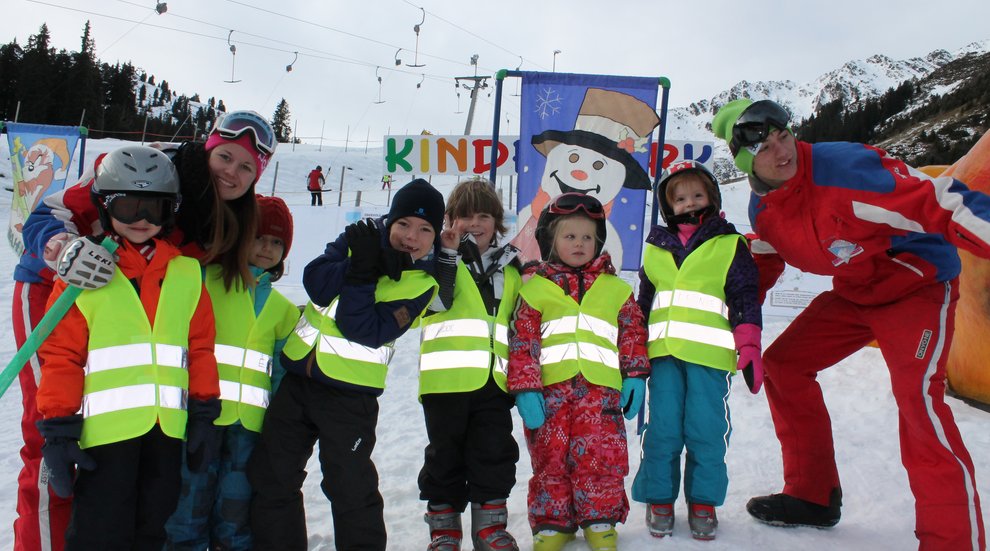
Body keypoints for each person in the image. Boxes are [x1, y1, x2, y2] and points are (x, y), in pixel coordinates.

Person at [710, 98, 990, 550]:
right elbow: (768, 252)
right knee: (785, 366)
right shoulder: (765, 210)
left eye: (784, 135)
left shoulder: (846, 172)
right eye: (765, 148)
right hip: (857, 293)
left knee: (918, 402)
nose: (782, 151)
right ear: (745, 160)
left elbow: (945, 203)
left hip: (917, 286)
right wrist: (740, 320)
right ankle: (813, 495)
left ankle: (953, 541)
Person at [13, 110, 274, 551]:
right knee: (50, 437)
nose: (232, 172)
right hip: (56, 291)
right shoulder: (141, 164)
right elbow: (41, 217)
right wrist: (63, 249)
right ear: (208, 148)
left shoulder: (226, 218)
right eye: (226, 157)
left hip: (122, 318)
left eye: (246, 167)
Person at [34, 145, 222, 549]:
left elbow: (201, 348)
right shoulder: (81, 273)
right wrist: (59, 430)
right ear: (104, 207)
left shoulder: (187, 273)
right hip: (107, 438)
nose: (141, 220)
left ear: (171, 211)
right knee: (100, 529)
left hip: (166, 433)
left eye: (153, 209)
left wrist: (204, 412)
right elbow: (61, 356)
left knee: (154, 523)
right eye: (128, 207)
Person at [247, 178, 445, 550]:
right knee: (273, 477)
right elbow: (316, 283)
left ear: (434, 238)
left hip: (349, 399)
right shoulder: (359, 239)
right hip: (298, 382)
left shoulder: (422, 285)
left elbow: (363, 329)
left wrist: (362, 271)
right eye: (403, 224)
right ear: (389, 221)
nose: (410, 236)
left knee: (349, 486)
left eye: (424, 229)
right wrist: (360, 259)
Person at [508, 192, 649, 551]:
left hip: (601, 397)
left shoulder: (617, 289)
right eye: (569, 236)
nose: (579, 243)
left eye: (587, 237)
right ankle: (553, 522)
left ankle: (599, 520)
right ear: (550, 241)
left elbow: (632, 333)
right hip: (552, 398)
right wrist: (525, 389)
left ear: (599, 241)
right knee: (550, 459)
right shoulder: (535, 290)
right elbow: (523, 343)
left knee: (601, 459)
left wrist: (635, 375)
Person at [629, 161, 762, 541]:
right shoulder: (656, 249)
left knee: (706, 429)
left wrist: (749, 344)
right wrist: (634, 353)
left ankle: (703, 501)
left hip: (709, 358)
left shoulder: (729, 245)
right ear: (668, 206)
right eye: (680, 197)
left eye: (697, 195)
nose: (689, 203)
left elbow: (744, 297)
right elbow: (644, 303)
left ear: (712, 198)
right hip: (665, 356)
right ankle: (660, 498)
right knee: (663, 429)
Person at [165, 194, 301, 550]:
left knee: (235, 513)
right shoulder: (206, 282)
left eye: (277, 242)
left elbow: (281, 374)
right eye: (259, 237)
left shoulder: (283, 309)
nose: (267, 248)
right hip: (200, 419)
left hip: (250, 430)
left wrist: (278, 424)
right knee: (188, 507)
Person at [418, 177, 522, 551]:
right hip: (445, 383)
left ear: (497, 222)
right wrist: (446, 254)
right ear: (450, 220)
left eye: (483, 216)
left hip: (495, 383)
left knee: (493, 452)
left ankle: (490, 527)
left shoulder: (511, 268)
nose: (474, 223)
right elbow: (434, 304)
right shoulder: (435, 260)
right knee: (444, 456)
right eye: (465, 216)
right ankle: (444, 528)